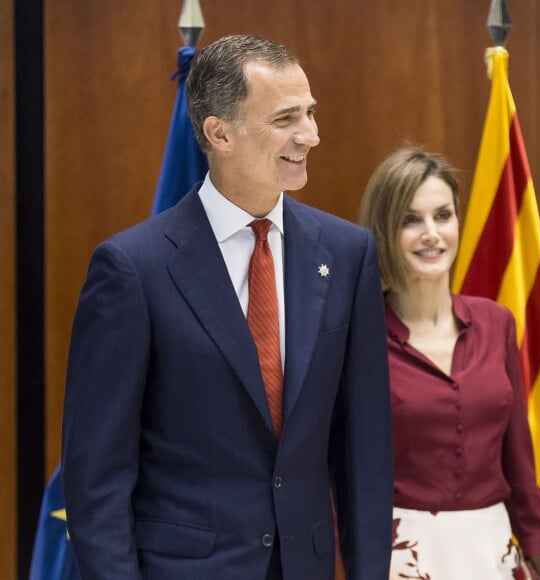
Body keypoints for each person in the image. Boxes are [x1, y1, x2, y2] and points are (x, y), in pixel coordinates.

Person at [61, 34, 393, 580]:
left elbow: (365, 453)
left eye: (310, 113)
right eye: (286, 118)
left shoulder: (347, 253)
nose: (310, 135)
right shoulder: (132, 269)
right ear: (220, 133)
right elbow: (97, 480)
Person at [360, 146, 540, 580]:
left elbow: (518, 459)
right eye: (411, 220)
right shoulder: (357, 338)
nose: (432, 233)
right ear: (383, 231)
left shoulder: (497, 323)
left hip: (493, 549)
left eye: (443, 215)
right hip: (400, 554)